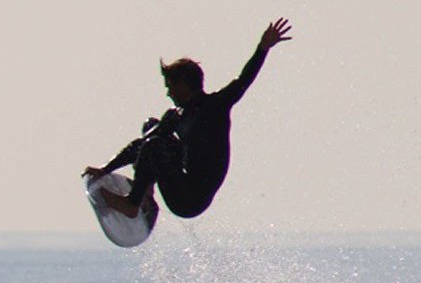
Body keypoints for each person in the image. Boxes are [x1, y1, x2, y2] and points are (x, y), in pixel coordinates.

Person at [84, 18, 293, 219]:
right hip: (181, 180)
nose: (168, 93)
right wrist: (106, 169)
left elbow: (243, 80)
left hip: (191, 199)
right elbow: (141, 145)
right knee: (152, 129)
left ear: (183, 84)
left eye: (170, 87)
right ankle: (145, 196)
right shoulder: (176, 116)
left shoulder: (215, 106)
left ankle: (132, 204)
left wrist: (263, 48)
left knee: (155, 144)